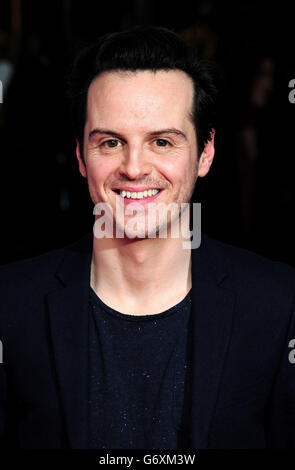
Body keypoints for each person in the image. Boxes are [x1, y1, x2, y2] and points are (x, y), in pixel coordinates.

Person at [0, 26, 295, 450]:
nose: (135, 168)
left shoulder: (277, 305)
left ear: (205, 153)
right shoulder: (10, 306)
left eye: (161, 141)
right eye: (111, 142)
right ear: (82, 156)